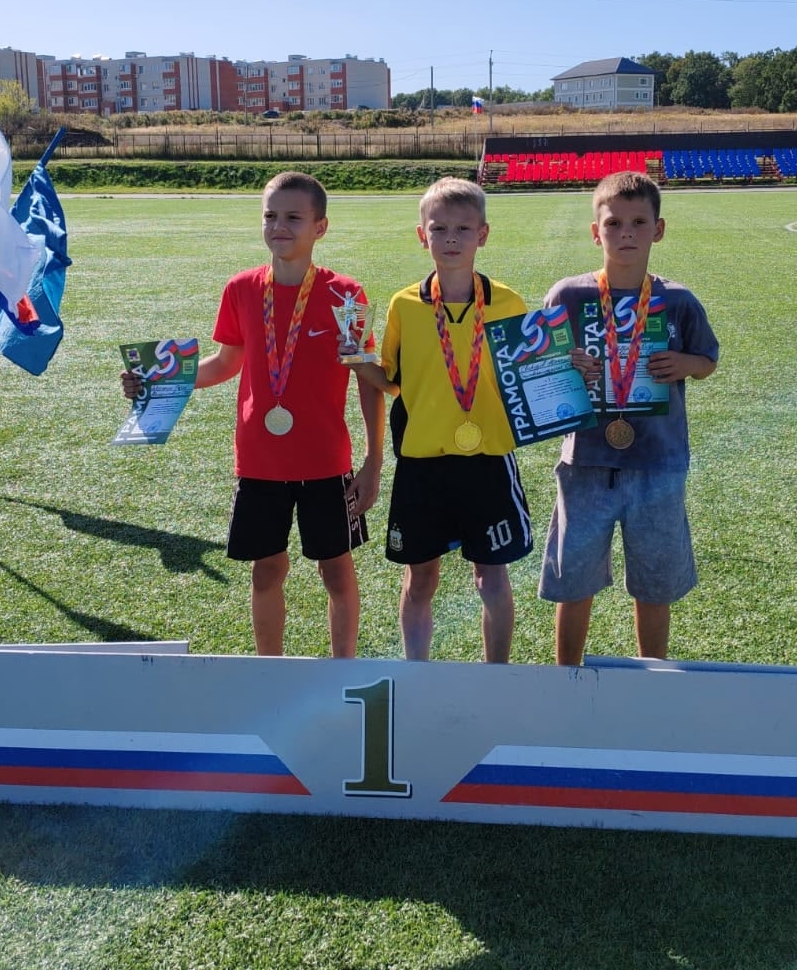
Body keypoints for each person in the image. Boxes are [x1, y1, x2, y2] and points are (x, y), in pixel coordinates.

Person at [121, 171, 383, 658]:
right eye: (270, 216)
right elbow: (225, 364)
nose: (279, 226)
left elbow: (368, 381)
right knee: (266, 570)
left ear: (320, 227)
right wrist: (159, 379)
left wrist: (373, 461)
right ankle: (269, 669)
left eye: (293, 217)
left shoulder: (347, 295)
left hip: (326, 461)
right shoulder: (241, 289)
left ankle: (343, 668)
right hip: (261, 460)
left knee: (336, 569)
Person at [540, 171, 719, 665]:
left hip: (658, 464)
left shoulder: (677, 301)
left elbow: (707, 360)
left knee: (655, 584)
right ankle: (567, 677)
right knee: (575, 582)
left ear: (658, 230)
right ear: (595, 231)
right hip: (586, 463)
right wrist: (567, 367)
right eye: (613, 223)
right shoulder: (568, 297)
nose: (626, 233)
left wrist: (684, 364)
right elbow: (541, 371)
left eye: (639, 222)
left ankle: (653, 680)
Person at [357, 177, 532, 663]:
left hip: (488, 461)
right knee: (420, 579)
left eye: (462, 229)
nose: (450, 239)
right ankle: (418, 672)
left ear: (483, 235)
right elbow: (392, 380)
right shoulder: (404, 305)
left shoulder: (508, 303)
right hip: (422, 464)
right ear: (422, 235)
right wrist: (355, 359)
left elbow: (528, 375)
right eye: (439, 229)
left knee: (491, 578)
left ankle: (497, 673)